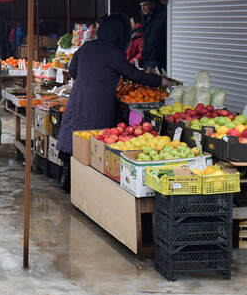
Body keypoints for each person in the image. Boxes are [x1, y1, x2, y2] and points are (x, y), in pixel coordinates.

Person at [56, 14, 169, 191]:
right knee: (92, 139)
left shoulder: (88, 46)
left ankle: (65, 179)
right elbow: (134, 74)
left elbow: (72, 69)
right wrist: (159, 81)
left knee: (73, 135)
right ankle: (82, 185)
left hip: (78, 98)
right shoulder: (113, 54)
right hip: (98, 103)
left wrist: (85, 80)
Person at [139, 0, 167, 72]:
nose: (143, 8)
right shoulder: (145, 19)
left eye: (145, 5)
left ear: (153, 4)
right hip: (146, 61)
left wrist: (166, 4)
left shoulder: (161, 16)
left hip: (157, 62)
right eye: (141, 6)